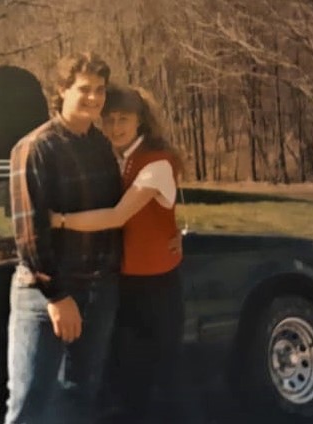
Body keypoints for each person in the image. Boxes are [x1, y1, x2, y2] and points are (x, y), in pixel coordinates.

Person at [50, 84, 184, 423]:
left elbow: (118, 216)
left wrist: (58, 221)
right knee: (125, 380)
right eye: (108, 119)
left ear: (141, 120)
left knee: (161, 381)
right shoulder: (110, 157)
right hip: (119, 282)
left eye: (123, 119)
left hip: (156, 287)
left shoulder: (158, 162)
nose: (114, 127)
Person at [5, 52, 123, 424]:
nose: (94, 98)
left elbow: (110, 215)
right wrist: (57, 297)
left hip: (99, 290)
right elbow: (29, 233)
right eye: (84, 89)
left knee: (79, 398)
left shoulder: (101, 146)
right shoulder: (36, 147)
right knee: (30, 403)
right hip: (45, 297)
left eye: (100, 90)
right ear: (62, 91)